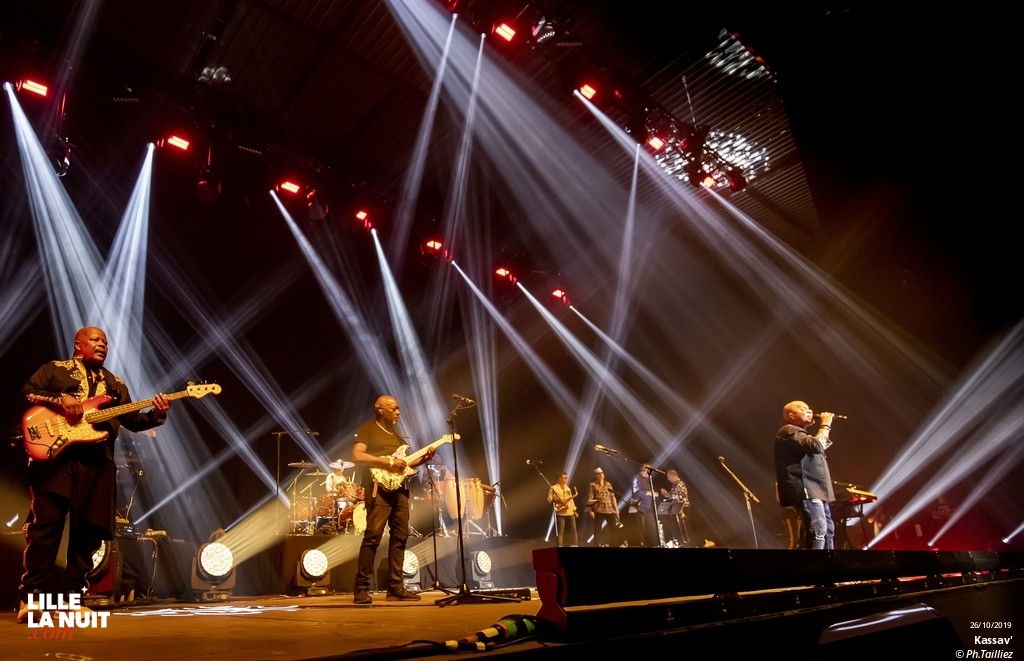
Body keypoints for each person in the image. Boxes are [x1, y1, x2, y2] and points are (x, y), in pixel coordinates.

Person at [17, 326, 171, 623]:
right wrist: (61, 400)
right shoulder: (56, 370)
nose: (102, 344)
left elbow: (133, 420)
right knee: (45, 529)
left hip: (99, 463)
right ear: (78, 344)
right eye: (95, 340)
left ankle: (71, 600)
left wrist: (158, 414)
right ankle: (32, 597)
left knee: (88, 535)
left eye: (105, 342)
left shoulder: (115, 385)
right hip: (56, 461)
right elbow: (27, 393)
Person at [350, 395, 435, 603]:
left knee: (400, 537)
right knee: (373, 537)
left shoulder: (397, 437)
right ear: (380, 409)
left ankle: (395, 587)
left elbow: (403, 467)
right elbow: (357, 456)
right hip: (378, 489)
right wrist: (386, 462)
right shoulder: (368, 430)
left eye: (398, 408)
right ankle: (361, 587)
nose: (397, 412)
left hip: (400, 491)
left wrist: (422, 460)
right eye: (393, 408)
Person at [773, 400, 836, 549]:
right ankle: (814, 569)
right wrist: (825, 425)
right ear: (791, 416)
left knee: (828, 532)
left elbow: (817, 447)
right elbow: (816, 446)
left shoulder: (801, 435)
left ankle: (830, 568)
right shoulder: (789, 431)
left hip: (817, 490)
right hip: (807, 489)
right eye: (803, 409)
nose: (809, 411)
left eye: (809, 408)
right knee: (818, 531)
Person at [586, 467, 619, 547]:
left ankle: (613, 545)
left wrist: (616, 510)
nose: (601, 475)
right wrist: (590, 510)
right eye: (599, 474)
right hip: (598, 510)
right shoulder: (592, 485)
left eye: (602, 473)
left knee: (613, 529)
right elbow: (590, 497)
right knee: (597, 530)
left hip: (609, 509)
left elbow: (613, 497)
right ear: (595, 476)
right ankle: (596, 545)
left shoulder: (608, 484)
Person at [658, 468, 690, 546]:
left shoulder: (680, 484)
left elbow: (679, 497)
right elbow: (671, 495)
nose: (668, 479)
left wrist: (668, 495)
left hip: (683, 507)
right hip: (677, 508)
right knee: (678, 527)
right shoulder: (674, 485)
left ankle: (688, 543)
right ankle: (680, 542)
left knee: (685, 527)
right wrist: (666, 494)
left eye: (669, 477)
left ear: (673, 476)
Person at [547, 471, 578, 547]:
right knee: (561, 531)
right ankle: (560, 545)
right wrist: (551, 497)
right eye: (565, 477)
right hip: (560, 512)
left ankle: (574, 544)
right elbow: (549, 500)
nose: (566, 479)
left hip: (570, 510)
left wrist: (574, 510)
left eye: (566, 477)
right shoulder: (553, 488)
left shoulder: (567, 488)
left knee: (573, 528)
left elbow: (571, 500)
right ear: (560, 478)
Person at [631, 466, 659, 547]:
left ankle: (654, 544)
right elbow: (636, 492)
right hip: (639, 506)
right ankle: (644, 545)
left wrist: (654, 494)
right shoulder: (636, 478)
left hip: (648, 507)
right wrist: (650, 493)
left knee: (652, 527)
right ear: (646, 471)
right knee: (642, 529)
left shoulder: (646, 480)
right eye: (650, 472)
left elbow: (650, 492)